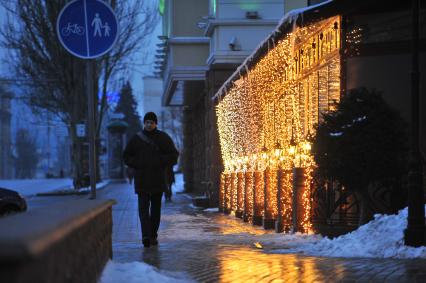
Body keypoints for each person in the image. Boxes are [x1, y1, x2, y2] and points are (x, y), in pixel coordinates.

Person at [123, 112, 179, 248]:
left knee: (155, 210)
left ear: (156, 123)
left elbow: (174, 155)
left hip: (157, 180)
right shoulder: (136, 139)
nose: (149, 124)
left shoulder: (163, 138)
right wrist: (137, 163)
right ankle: (145, 236)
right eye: (147, 122)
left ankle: (153, 234)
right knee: (143, 209)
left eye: (151, 122)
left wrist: (160, 161)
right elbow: (126, 156)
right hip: (141, 180)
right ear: (144, 123)